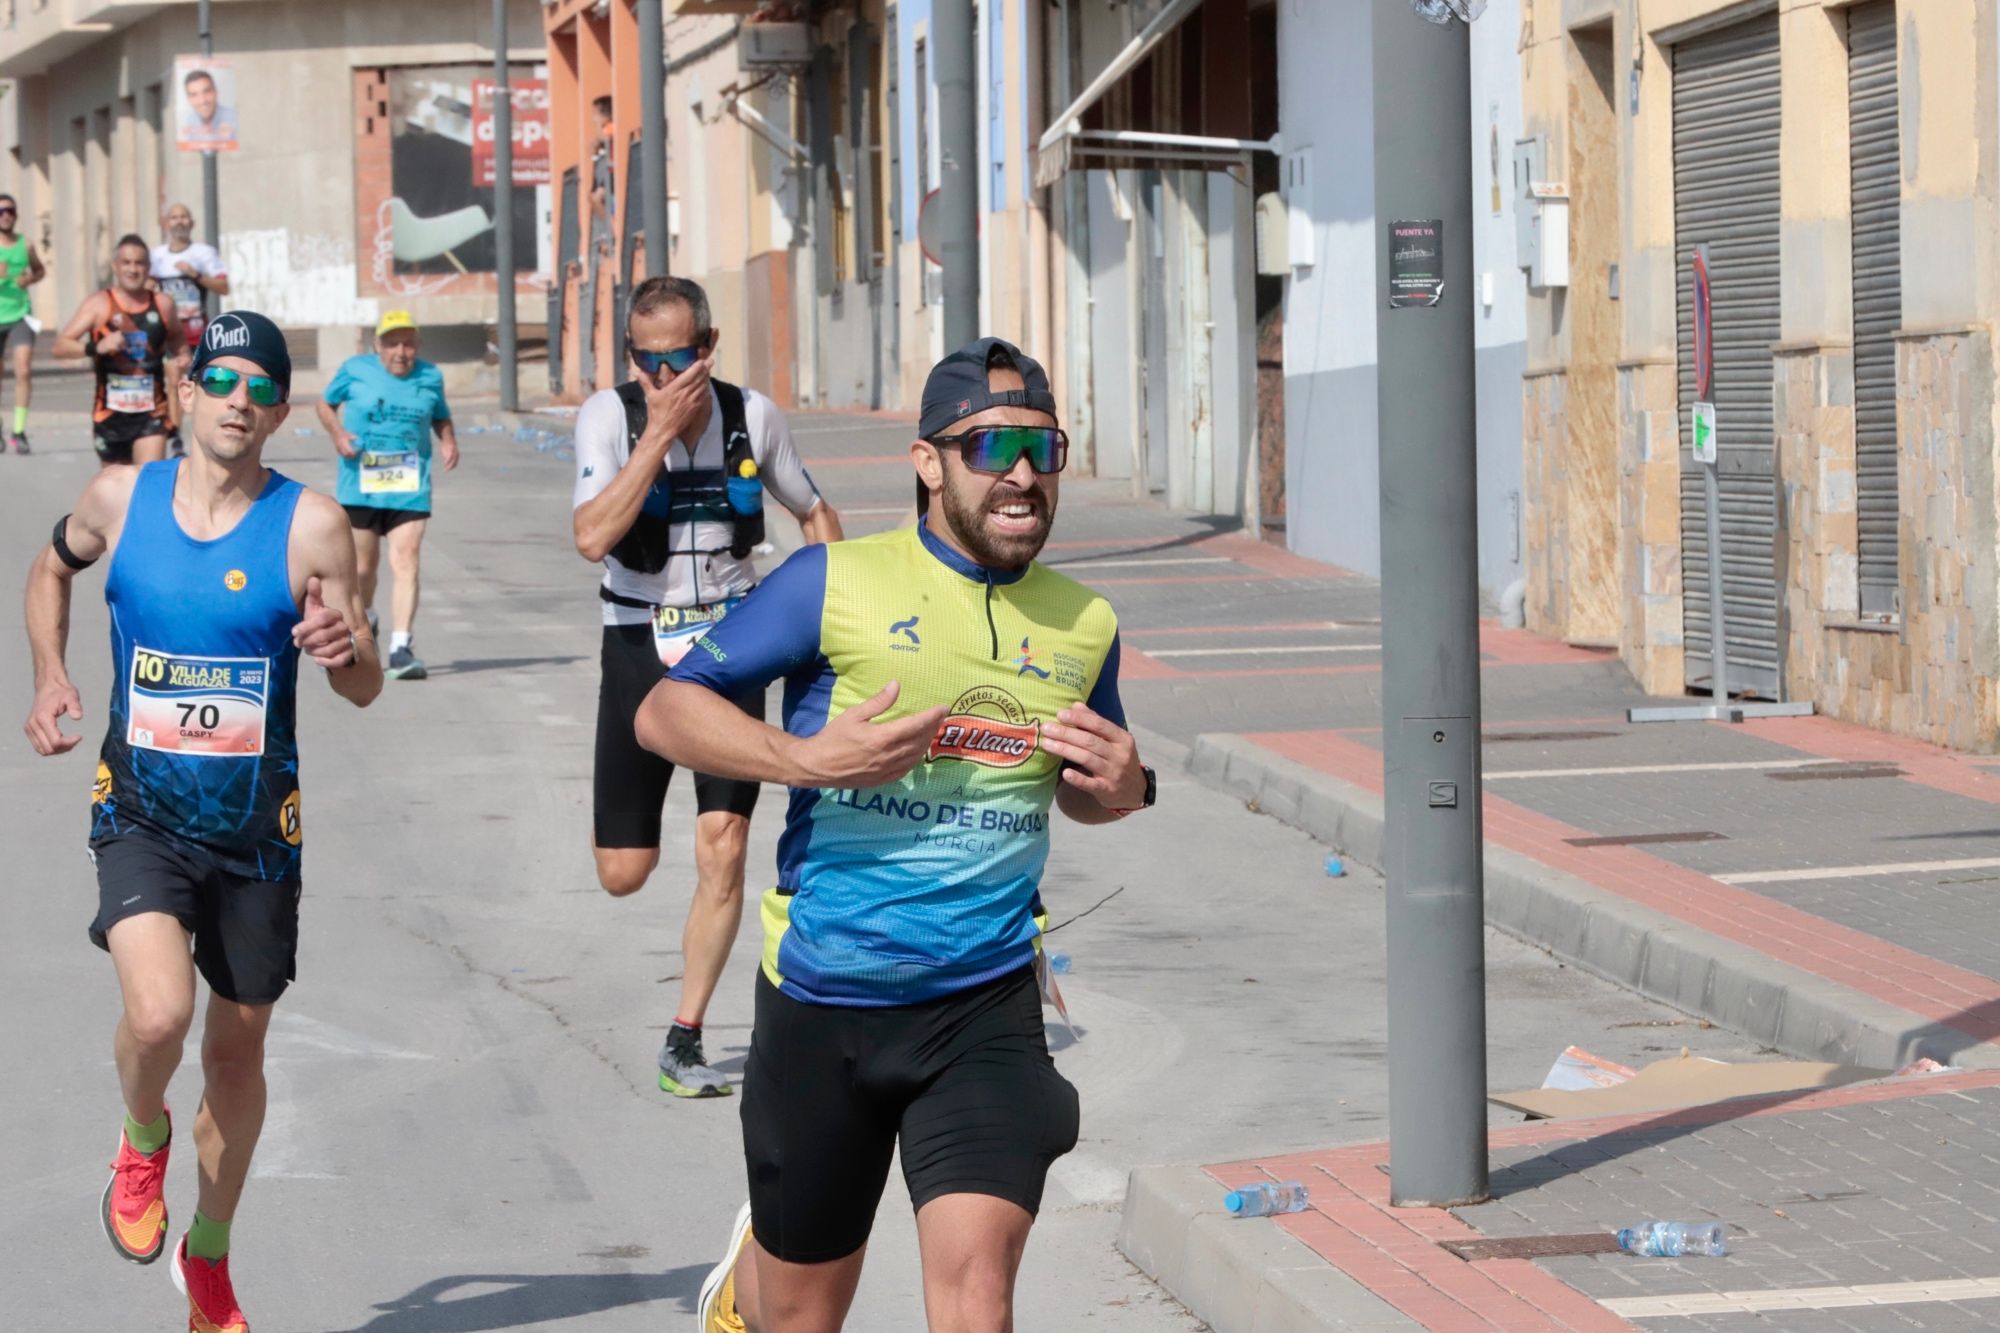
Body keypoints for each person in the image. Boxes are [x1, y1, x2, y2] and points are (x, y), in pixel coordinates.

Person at [644, 337, 1155, 1332]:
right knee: (800, 1313)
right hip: (824, 999)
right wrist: (804, 760)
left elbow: (1088, 791)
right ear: (927, 462)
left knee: (977, 1299)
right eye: (990, 446)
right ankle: (742, 1295)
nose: (1019, 472)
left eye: (1041, 450)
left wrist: (1129, 787)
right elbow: (667, 710)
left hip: (983, 1002)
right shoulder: (831, 583)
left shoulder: (1083, 622)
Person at [20, 310, 382, 1333]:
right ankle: (141, 1137)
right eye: (221, 380)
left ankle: (210, 1253)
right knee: (157, 1016)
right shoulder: (119, 498)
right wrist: (50, 671)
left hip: (259, 830)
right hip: (140, 810)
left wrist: (341, 646)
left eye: (261, 387)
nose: (240, 400)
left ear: (275, 411)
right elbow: (53, 565)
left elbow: (363, 686)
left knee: (237, 1055)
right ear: (184, 390)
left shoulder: (310, 524)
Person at [571, 274, 842, 1099]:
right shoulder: (609, 418)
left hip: (730, 644)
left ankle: (684, 1035)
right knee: (623, 869)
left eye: (680, 357)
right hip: (639, 638)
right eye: (647, 360)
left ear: (709, 346)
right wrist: (656, 433)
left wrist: (844, 608)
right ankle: (680, 1010)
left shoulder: (754, 415)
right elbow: (590, 536)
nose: (665, 374)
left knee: (723, 843)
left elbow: (815, 512)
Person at [316, 310, 458, 680]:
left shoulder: (430, 376)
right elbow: (324, 403)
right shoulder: (355, 369)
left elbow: (441, 415)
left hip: (409, 487)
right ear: (376, 345)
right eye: (392, 343)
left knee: (406, 558)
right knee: (362, 570)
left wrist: (448, 440)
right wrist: (337, 434)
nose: (400, 351)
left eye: (408, 343)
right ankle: (370, 616)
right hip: (361, 486)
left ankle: (400, 647)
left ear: (418, 346)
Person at [54, 234, 183, 468]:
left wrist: (181, 360)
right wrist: (96, 347)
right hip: (109, 416)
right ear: (115, 266)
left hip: (151, 414)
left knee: (148, 481)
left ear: (148, 267)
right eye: (126, 263)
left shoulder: (164, 304)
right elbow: (61, 346)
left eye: (139, 263)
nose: (133, 269)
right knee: (115, 493)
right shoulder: (99, 304)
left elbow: (178, 341)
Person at [152, 203, 231, 454]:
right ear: (165, 223)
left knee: (198, 386)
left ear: (192, 222)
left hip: (198, 331)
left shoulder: (203, 253)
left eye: (184, 216)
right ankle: (175, 437)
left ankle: (202, 437)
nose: (179, 221)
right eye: (174, 217)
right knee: (175, 380)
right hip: (169, 333)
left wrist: (196, 275)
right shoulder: (156, 257)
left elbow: (223, 287)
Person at [0, 192, 47, 454]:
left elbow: (39, 271)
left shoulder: (25, 244)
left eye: (10, 211)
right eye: (1, 211)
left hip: (21, 314)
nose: (6, 215)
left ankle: (19, 431)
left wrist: (28, 280)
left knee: (24, 370)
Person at [180, 68, 238, 148]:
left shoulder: (233, 118)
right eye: (194, 95)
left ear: (216, 93)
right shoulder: (190, 120)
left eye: (207, 91)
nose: (202, 101)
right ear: (189, 100)